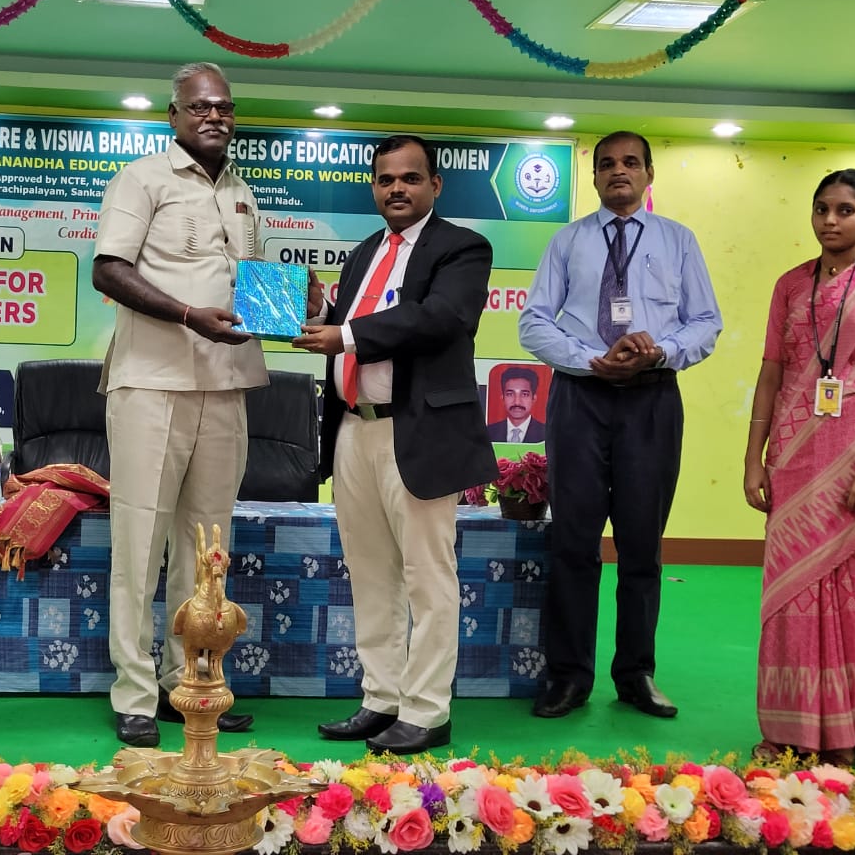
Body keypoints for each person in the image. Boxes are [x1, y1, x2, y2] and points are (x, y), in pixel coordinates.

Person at [93, 61, 323, 748]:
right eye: (200, 107)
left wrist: (298, 299)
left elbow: (249, 288)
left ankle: (187, 684)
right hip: (151, 382)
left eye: (224, 107)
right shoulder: (142, 179)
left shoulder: (243, 193)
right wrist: (190, 315)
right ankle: (134, 692)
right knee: (140, 542)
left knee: (207, 549)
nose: (215, 116)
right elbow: (110, 269)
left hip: (225, 384)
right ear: (173, 115)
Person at [293, 134, 496, 754]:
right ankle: (381, 698)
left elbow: (441, 318)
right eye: (386, 179)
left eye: (410, 178)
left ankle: (427, 709)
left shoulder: (462, 247)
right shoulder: (365, 252)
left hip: (419, 432)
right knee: (370, 574)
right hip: (354, 428)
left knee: (427, 576)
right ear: (374, 188)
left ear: (436, 185)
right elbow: (347, 326)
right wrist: (320, 312)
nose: (397, 189)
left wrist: (346, 334)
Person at [519, 131, 721, 720]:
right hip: (581, 398)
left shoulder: (678, 240)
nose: (618, 171)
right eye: (607, 163)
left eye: (631, 162)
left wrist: (660, 351)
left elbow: (706, 322)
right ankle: (568, 676)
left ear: (649, 173)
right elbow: (534, 322)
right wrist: (591, 359)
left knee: (641, 545)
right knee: (573, 543)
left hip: (651, 400)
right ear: (594, 177)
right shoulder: (568, 241)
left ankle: (635, 675)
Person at [744, 169, 855, 766]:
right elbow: (771, 371)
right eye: (821, 209)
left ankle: (844, 731)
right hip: (792, 454)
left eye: (846, 210)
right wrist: (753, 458)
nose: (830, 221)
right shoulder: (790, 284)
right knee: (790, 593)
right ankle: (787, 729)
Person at [485, 366, 545, 442]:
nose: (517, 402)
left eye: (524, 394)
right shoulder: (487, 432)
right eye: (510, 394)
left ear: (534, 398)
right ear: (503, 398)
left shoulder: (546, 434)